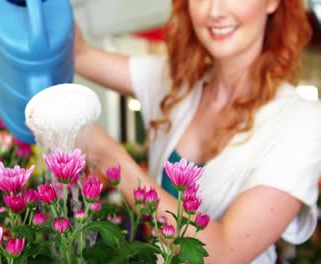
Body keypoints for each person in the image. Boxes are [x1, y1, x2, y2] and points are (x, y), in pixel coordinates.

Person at [74, 0, 321, 263]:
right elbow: (79, 54)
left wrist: (112, 159)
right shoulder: (178, 82)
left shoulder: (304, 120)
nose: (215, 11)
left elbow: (224, 253)